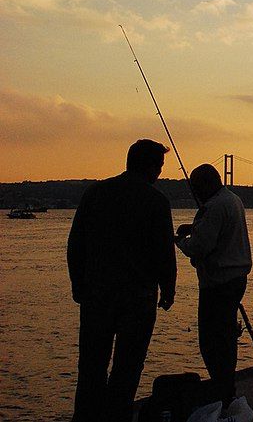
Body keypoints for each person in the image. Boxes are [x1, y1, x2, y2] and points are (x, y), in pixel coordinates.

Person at [67, 139, 176, 422]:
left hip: (96, 297)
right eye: (160, 167)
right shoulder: (156, 202)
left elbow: (75, 245)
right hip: (137, 301)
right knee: (126, 371)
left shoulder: (94, 194)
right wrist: (168, 290)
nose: (160, 174)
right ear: (150, 167)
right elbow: (164, 253)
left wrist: (78, 285)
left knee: (90, 368)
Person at [175, 164, 252, 406]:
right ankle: (226, 387)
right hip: (236, 280)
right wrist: (196, 226)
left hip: (218, 284)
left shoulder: (215, 206)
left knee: (211, 343)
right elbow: (217, 231)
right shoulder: (232, 199)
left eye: (197, 188)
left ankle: (223, 390)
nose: (196, 194)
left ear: (207, 184)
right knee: (226, 338)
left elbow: (200, 247)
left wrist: (179, 241)